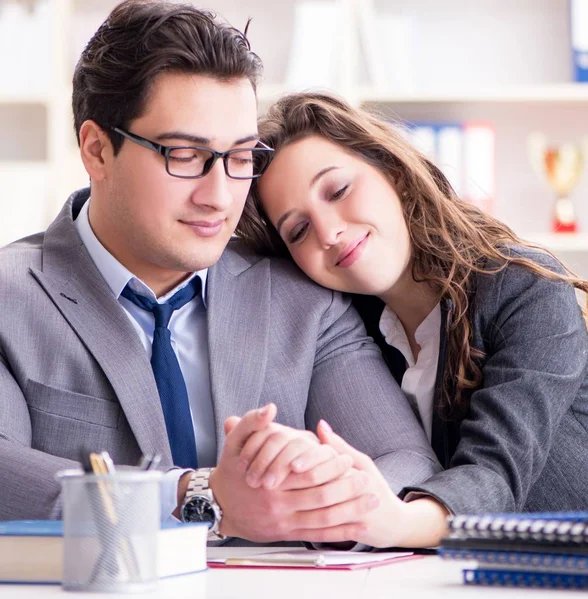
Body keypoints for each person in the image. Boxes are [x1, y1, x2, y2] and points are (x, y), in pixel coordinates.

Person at [0, 2, 444, 547]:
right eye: (185, 155)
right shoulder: (11, 296)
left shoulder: (304, 301)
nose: (219, 196)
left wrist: (312, 490)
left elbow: (406, 461)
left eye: (239, 156)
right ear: (97, 150)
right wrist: (198, 495)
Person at [236, 91, 588, 548]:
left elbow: (495, 476)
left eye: (338, 191)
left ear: (395, 175)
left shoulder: (523, 290)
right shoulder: (347, 333)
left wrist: (388, 519)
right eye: (298, 229)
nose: (329, 231)